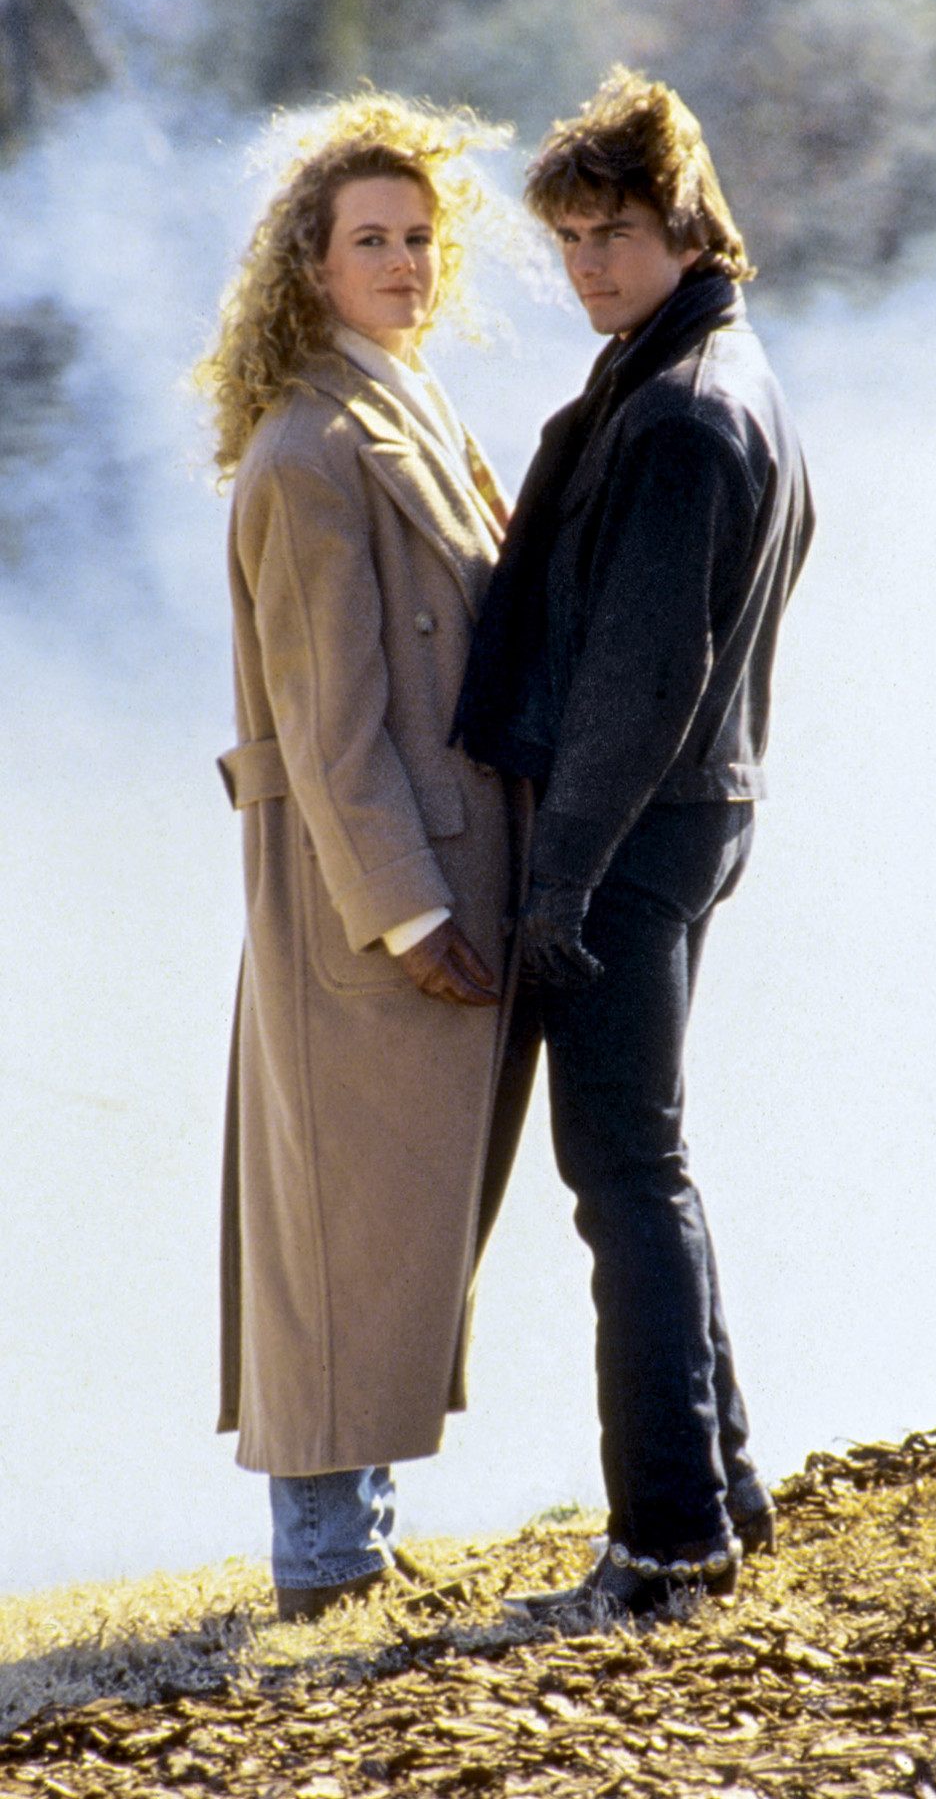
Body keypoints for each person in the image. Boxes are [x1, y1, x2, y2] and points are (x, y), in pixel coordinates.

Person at [454, 66, 815, 1620]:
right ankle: (721, 1480)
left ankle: (669, 1542)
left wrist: (563, 878)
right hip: (691, 811)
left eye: (612, 233)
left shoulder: (679, 413)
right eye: (569, 238)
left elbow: (644, 677)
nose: (587, 265)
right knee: (643, 1162)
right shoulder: (706, 367)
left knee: (620, 1172)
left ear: (686, 228)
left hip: (636, 830)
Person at [201, 91, 534, 1622]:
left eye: (419, 237)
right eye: (371, 241)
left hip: (445, 870)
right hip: (367, 898)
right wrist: (404, 913)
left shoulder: (408, 406)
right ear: (310, 266)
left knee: (396, 1225)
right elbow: (329, 728)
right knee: (342, 1223)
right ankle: (326, 1561)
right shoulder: (307, 452)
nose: (404, 263)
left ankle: (360, 1538)